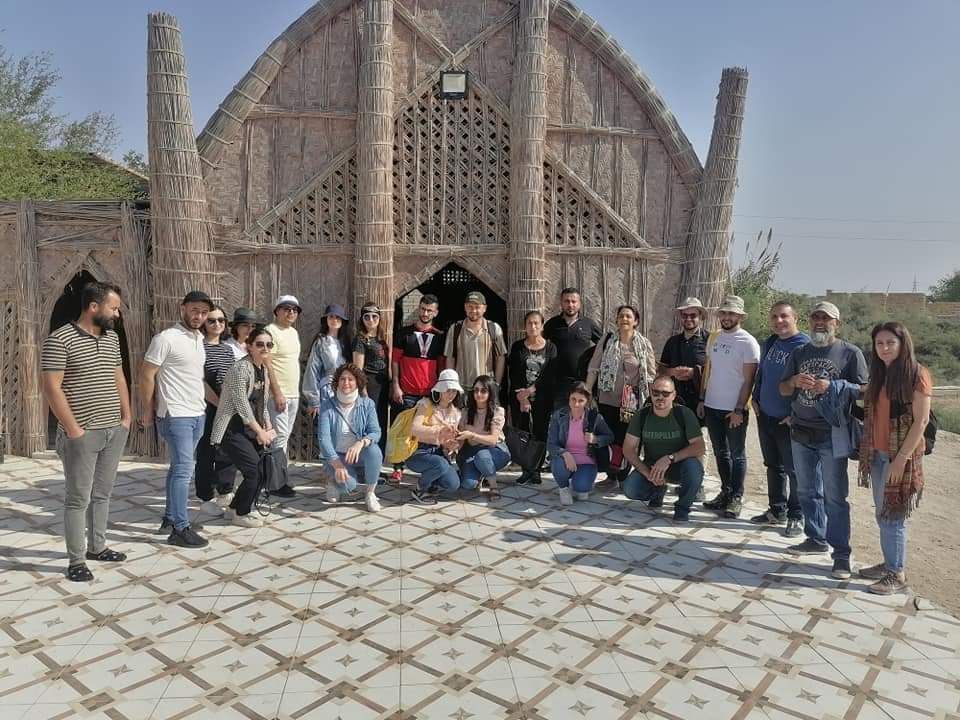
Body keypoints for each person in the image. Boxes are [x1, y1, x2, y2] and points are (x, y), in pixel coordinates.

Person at [41, 282, 131, 582]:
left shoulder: (112, 338)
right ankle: (76, 560)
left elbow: (119, 377)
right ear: (94, 307)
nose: (117, 314)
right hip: (82, 434)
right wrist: (73, 429)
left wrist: (126, 417)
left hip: (113, 430)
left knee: (102, 493)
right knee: (78, 499)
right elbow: (52, 388)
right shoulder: (60, 339)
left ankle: (98, 547)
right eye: (113, 308)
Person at [779, 301, 867, 580]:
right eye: (815, 317)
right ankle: (816, 538)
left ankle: (841, 555)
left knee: (835, 496)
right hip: (801, 432)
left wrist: (834, 386)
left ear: (836, 323)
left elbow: (865, 392)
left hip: (832, 434)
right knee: (806, 490)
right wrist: (794, 381)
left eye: (826, 318)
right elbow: (783, 389)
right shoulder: (799, 352)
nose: (819, 322)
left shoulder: (850, 353)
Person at [858, 322, 931, 595]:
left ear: (902, 344)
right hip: (878, 454)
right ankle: (889, 563)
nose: (885, 348)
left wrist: (900, 459)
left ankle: (896, 574)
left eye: (890, 342)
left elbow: (921, 421)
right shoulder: (881, 374)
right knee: (883, 513)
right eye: (880, 343)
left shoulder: (916, 374)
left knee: (893, 516)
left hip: (899, 457)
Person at [139, 290, 213, 549]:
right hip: (175, 414)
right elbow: (147, 375)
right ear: (183, 308)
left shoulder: (199, 338)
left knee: (178, 468)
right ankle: (181, 528)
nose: (199, 316)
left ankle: (170, 519)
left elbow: (195, 378)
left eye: (204, 312)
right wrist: (148, 409)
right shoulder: (165, 338)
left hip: (197, 412)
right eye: (194, 310)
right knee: (184, 470)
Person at [698, 294, 760, 519]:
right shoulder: (714, 337)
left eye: (731, 313)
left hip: (734, 409)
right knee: (720, 452)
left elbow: (749, 379)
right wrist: (702, 399)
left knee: (737, 454)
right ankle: (725, 492)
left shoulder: (748, 342)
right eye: (723, 313)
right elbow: (709, 370)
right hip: (712, 404)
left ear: (740, 316)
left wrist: (739, 409)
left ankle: (736, 497)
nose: (726, 317)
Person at [749, 301, 809, 536]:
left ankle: (796, 515)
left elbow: (808, 386)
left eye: (784, 316)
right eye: (774, 317)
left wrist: (796, 414)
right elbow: (763, 373)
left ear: (795, 318)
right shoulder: (772, 342)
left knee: (795, 471)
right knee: (773, 466)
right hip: (765, 415)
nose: (779, 321)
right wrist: (755, 397)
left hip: (788, 420)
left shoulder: (804, 346)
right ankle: (776, 510)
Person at [210, 325, 277, 528]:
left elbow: (261, 403)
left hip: (250, 428)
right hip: (232, 428)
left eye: (269, 345)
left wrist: (268, 426)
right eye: (260, 344)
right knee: (254, 470)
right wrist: (260, 431)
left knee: (262, 470)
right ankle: (242, 513)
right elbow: (242, 405)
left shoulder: (263, 369)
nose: (265, 348)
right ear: (249, 346)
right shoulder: (240, 369)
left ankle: (234, 508)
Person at [585, 304, 657, 483]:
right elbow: (594, 367)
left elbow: (650, 374)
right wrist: (587, 390)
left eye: (628, 316)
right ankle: (611, 476)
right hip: (608, 398)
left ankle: (623, 476)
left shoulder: (644, 344)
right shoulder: (607, 340)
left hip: (632, 401)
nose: (624, 319)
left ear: (636, 321)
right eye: (621, 316)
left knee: (627, 439)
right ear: (616, 320)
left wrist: (652, 399)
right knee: (610, 437)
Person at [623, 375, 706, 522]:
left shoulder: (684, 414)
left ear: (673, 395)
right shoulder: (641, 415)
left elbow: (699, 447)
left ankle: (682, 508)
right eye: (656, 393)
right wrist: (647, 473)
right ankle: (658, 490)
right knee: (630, 489)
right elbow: (628, 449)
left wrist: (670, 458)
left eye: (665, 393)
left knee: (695, 470)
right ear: (651, 392)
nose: (660, 397)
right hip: (653, 468)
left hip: (679, 465)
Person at [390, 294, 446, 481]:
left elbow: (441, 366)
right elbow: (395, 361)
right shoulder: (403, 333)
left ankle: (429, 468)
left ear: (436, 312)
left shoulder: (440, 336)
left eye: (430, 310)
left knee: (428, 431)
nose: (425, 313)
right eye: (423, 309)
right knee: (402, 431)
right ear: (418, 309)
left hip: (429, 394)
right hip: (406, 392)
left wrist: (439, 392)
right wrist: (396, 385)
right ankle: (398, 467)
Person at [317, 363, 384, 512]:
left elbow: (376, 432)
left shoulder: (367, 404)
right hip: (337, 456)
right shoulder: (327, 406)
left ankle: (370, 493)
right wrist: (337, 465)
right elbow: (323, 439)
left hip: (358, 454)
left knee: (374, 451)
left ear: (357, 382)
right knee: (348, 485)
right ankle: (332, 481)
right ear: (337, 382)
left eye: (350, 379)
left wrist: (360, 443)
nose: (346, 383)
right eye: (342, 379)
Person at [195, 305, 237, 517]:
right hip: (206, 406)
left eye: (221, 320)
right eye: (212, 320)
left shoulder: (227, 349)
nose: (217, 324)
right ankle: (205, 497)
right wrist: (218, 402)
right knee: (206, 452)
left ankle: (225, 490)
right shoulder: (197, 347)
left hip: (226, 405)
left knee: (227, 449)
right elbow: (198, 380)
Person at [506, 310, 557, 483]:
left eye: (536, 323)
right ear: (525, 326)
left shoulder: (550, 347)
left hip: (542, 398)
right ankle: (526, 469)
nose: (533, 326)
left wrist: (531, 391)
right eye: (529, 323)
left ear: (542, 326)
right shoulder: (518, 347)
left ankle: (536, 469)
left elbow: (550, 374)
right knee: (523, 432)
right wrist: (522, 397)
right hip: (520, 397)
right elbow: (513, 373)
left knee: (540, 433)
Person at [546, 382, 614, 505]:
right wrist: (565, 453)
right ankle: (563, 487)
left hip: (587, 461)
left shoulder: (595, 417)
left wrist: (595, 439)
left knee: (582, 490)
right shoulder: (559, 415)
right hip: (565, 459)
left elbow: (609, 437)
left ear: (586, 402)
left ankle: (580, 480)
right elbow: (551, 444)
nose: (576, 404)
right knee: (558, 464)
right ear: (569, 397)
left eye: (581, 401)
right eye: (573, 399)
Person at [406, 369, 463, 504]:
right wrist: (439, 430)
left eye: (454, 391)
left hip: (438, 452)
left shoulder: (456, 412)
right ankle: (420, 489)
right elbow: (415, 429)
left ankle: (431, 481)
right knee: (441, 464)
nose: (451, 394)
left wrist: (452, 445)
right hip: (418, 450)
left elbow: (448, 442)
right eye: (448, 390)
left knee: (453, 484)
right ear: (440, 389)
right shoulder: (426, 404)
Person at [265, 294, 302, 499]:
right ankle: (275, 484)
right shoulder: (270, 331)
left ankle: (280, 478)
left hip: (293, 393)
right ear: (277, 311)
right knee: (278, 439)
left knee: (284, 438)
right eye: (286, 309)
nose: (291, 312)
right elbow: (268, 363)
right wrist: (276, 392)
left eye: (294, 310)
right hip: (279, 394)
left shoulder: (293, 332)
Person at [543, 287, 602, 410]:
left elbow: (603, 345)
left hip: (582, 382)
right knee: (560, 417)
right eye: (567, 301)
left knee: (582, 418)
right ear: (561, 303)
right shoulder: (552, 324)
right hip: (559, 384)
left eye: (574, 301)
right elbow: (540, 343)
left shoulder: (588, 324)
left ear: (579, 303)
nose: (570, 305)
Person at [457, 375, 510, 498]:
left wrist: (472, 435)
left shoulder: (497, 411)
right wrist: (453, 447)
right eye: (476, 390)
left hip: (495, 450)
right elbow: (461, 438)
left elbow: (493, 440)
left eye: (483, 391)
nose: (478, 394)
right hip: (471, 451)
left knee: (482, 456)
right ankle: (480, 473)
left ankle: (493, 486)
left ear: (490, 392)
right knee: (468, 484)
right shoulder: (465, 412)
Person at [444, 291, 507, 388]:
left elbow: (500, 357)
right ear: (465, 307)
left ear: (484, 308)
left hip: (486, 388)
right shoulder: (455, 329)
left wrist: (497, 384)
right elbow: (450, 358)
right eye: (470, 307)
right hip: (462, 387)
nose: (473, 310)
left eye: (477, 307)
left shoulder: (494, 328)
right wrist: (451, 385)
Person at [658, 297, 709, 415]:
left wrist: (695, 373)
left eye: (693, 315)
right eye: (685, 315)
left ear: (700, 316)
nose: (688, 319)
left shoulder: (709, 340)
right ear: (680, 316)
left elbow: (716, 371)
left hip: (700, 403)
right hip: (674, 401)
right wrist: (672, 372)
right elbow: (661, 369)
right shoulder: (672, 342)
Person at [352, 302, 390, 454]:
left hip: (383, 385)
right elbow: (358, 369)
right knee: (370, 423)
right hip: (370, 384)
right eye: (366, 317)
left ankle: (378, 458)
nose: (371, 320)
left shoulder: (381, 339)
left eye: (374, 316)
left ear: (379, 319)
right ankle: (368, 458)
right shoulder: (360, 340)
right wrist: (363, 392)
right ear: (362, 319)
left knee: (381, 421)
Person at [304, 303, 352, 412]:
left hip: (345, 391)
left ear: (342, 321)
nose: (334, 320)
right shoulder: (321, 342)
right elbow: (312, 370)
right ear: (326, 320)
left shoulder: (345, 342)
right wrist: (314, 401)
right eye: (331, 317)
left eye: (338, 317)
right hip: (326, 393)